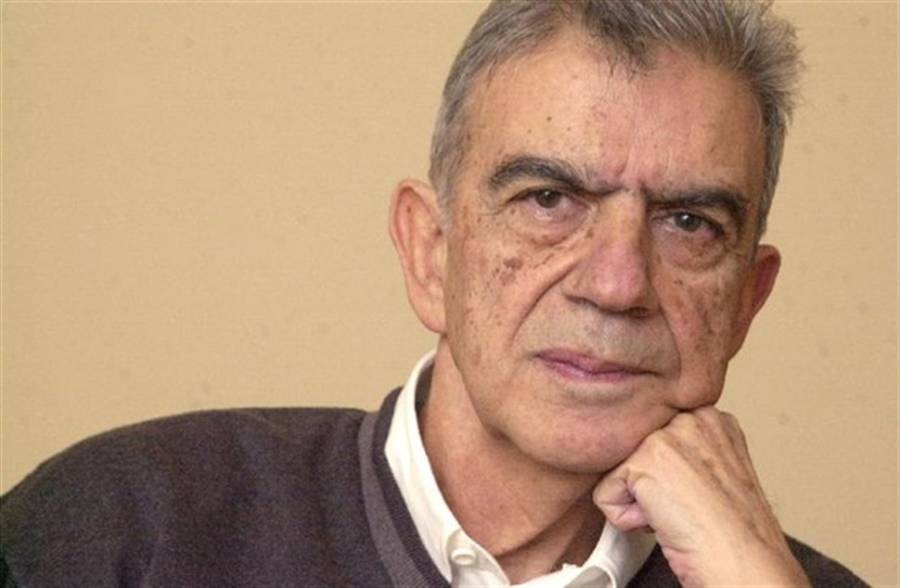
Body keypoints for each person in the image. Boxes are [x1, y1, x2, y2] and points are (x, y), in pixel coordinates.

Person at [0, 1, 868, 586]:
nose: (617, 284)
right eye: (548, 201)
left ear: (746, 302)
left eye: (688, 223)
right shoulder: (127, 526)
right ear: (430, 253)